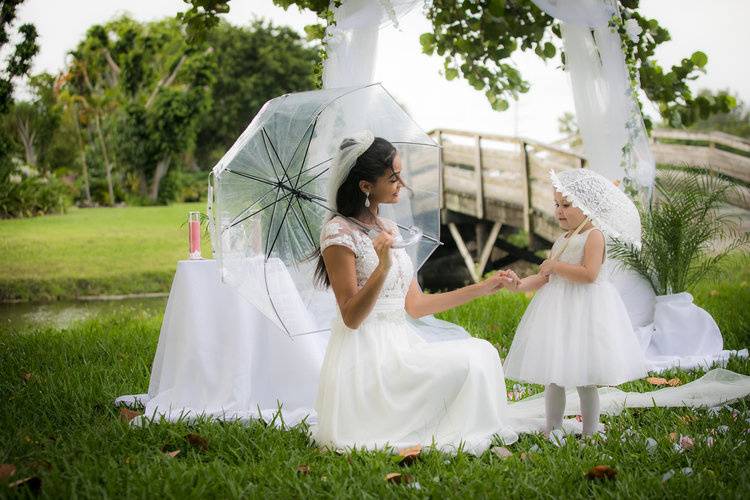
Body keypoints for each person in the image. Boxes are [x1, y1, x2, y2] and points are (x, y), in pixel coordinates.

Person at [311, 130, 519, 454]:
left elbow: (417, 305)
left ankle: (457, 423)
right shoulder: (338, 232)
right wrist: (380, 267)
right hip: (369, 358)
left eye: (400, 175)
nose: (401, 185)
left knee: (482, 352)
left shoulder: (389, 229)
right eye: (392, 178)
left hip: (403, 343)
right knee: (467, 364)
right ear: (366, 187)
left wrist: (484, 287)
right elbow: (351, 317)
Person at [502, 170, 648, 436]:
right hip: (558, 312)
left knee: (585, 377)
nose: (559, 211)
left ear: (586, 207)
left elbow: (589, 274)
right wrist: (520, 284)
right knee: (554, 377)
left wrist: (556, 265)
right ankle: (552, 427)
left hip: (585, 311)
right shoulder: (562, 239)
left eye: (566, 205)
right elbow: (544, 276)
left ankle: (590, 432)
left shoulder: (594, 236)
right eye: (556, 204)